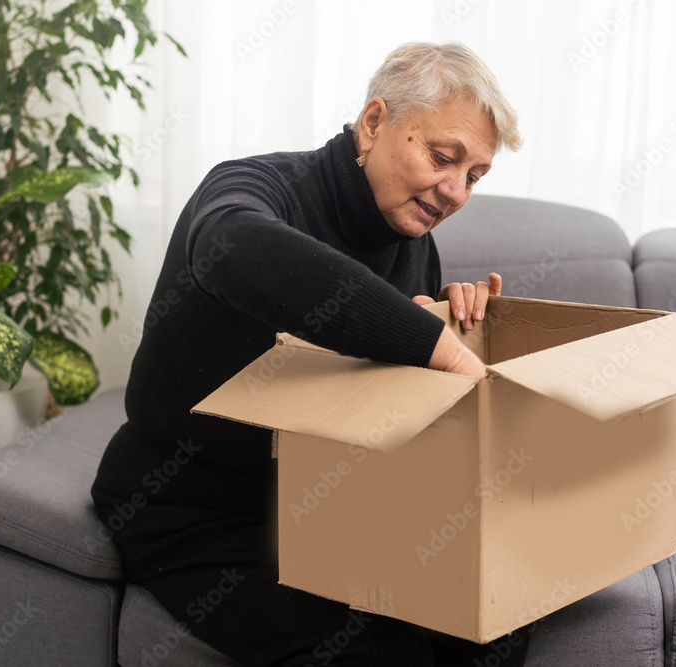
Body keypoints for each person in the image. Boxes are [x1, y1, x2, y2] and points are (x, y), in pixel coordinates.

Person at [92, 41, 528, 666]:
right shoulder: (255, 187)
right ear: (374, 123)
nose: (455, 190)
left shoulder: (414, 245)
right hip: (195, 514)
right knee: (380, 655)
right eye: (442, 157)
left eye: (474, 176)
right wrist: (431, 342)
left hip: (329, 513)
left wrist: (448, 319)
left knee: (493, 621)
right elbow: (235, 245)